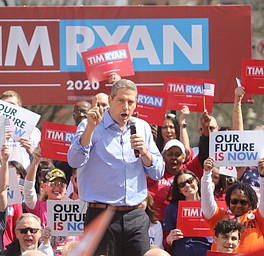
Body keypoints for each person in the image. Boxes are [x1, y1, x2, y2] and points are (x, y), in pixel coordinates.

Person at [68, 78, 165, 255]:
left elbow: (158, 172)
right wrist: (89, 129)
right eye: (121, 101)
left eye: (130, 102)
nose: (126, 107)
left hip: (135, 216)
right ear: (110, 101)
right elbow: (74, 161)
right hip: (102, 216)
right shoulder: (91, 126)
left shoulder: (142, 127)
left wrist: (145, 152)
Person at [202, 157, 264, 254]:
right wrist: (207, 173)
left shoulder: (258, 217)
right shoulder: (219, 217)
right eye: (234, 201)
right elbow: (206, 199)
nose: (238, 205)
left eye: (243, 202)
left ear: (250, 203)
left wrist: (262, 176)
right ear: (228, 201)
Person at [163, 170, 212, 256]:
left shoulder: (211, 204)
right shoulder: (172, 208)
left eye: (189, 181)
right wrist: (169, 239)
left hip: (207, 251)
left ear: (196, 180)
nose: (187, 185)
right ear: (179, 190)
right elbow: (166, 244)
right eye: (182, 185)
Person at [0, 90, 41, 170]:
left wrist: (31, 150)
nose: (8, 108)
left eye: (12, 104)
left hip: (25, 177)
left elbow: (42, 159)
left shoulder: (33, 132)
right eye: (4, 105)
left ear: (20, 107)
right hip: (0, 177)